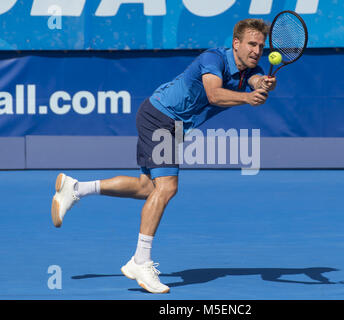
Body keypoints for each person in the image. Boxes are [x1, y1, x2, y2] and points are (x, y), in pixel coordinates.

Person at [51, 18, 277, 294]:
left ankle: (76, 188)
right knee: (168, 187)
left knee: (148, 188)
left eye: (261, 46)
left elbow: (255, 80)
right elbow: (214, 94)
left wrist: (262, 86)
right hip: (160, 117)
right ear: (236, 43)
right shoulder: (213, 59)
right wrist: (247, 97)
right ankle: (140, 261)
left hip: (176, 124)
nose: (256, 50)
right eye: (251, 44)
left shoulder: (253, 69)